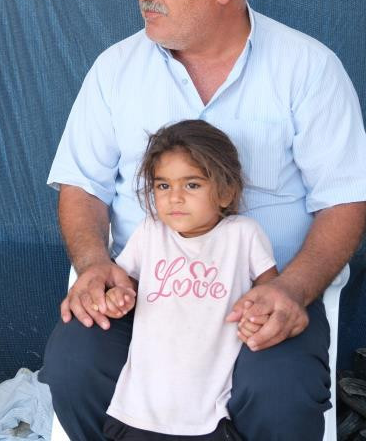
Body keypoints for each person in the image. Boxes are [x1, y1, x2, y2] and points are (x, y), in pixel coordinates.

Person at [42, 0, 366, 441]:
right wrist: (92, 264)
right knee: (73, 369)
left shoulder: (308, 68)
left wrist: (293, 289)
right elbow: (81, 187)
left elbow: (345, 199)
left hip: (261, 298)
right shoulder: (115, 69)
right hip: (140, 293)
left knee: (280, 395)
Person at [101, 120, 277, 440]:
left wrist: (257, 314)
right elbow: (124, 282)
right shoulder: (150, 232)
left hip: (209, 404)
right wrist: (118, 296)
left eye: (192, 185)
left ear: (226, 192)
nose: (175, 198)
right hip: (140, 403)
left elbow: (270, 290)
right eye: (163, 186)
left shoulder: (243, 235)